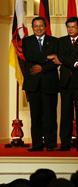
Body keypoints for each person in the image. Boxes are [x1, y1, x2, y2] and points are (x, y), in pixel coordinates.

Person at [22, 17, 59, 151]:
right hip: (33, 83)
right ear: (32, 27)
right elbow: (30, 56)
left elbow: (56, 61)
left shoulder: (54, 41)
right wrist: (46, 58)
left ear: (45, 27)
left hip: (50, 82)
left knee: (50, 115)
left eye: (41, 26)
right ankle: (37, 144)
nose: (38, 28)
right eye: (36, 26)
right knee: (35, 115)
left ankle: (51, 143)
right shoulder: (26, 41)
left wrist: (42, 67)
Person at [54, 16, 78, 152]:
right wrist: (77, 64)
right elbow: (60, 56)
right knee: (65, 114)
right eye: (68, 27)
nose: (70, 29)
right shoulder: (61, 41)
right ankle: (65, 143)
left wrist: (68, 61)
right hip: (65, 82)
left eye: (73, 27)